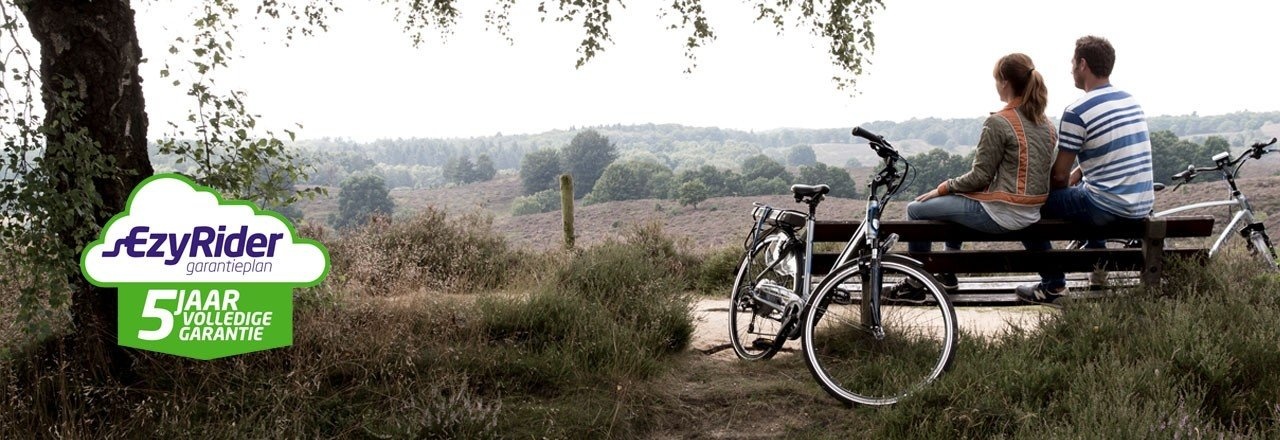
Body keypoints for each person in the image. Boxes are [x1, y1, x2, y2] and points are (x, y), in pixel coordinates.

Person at [885, 53, 1057, 302]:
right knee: (960, 199)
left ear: (1004, 82)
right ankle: (947, 272)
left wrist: (943, 188)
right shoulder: (1047, 125)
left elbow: (979, 176)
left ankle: (915, 286)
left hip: (1001, 214)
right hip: (1030, 213)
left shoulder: (999, 122)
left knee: (916, 209)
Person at [1015, 35, 1156, 304]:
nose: (1070, 69)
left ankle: (1053, 286)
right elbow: (1108, 158)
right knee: (1085, 190)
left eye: (1072, 62)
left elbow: (1057, 177)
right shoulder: (1130, 101)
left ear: (1082, 64)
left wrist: (1052, 184)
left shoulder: (1077, 111)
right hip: (1140, 205)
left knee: (1024, 208)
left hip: (1107, 207)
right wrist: (1077, 174)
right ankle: (1097, 271)